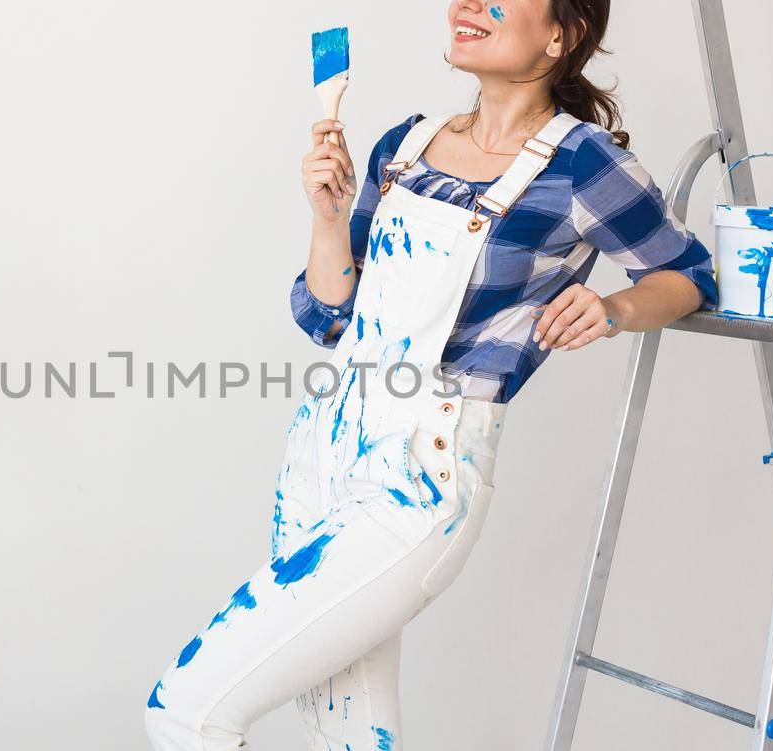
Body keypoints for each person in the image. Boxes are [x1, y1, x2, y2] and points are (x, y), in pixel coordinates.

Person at [145, 2, 716, 749]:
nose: (469, 5)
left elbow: (688, 273)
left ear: (562, 35)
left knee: (188, 709)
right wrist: (328, 217)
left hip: (418, 477)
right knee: (345, 732)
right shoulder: (405, 147)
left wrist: (614, 307)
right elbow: (328, 318)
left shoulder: (582, 164)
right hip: (321, 453)